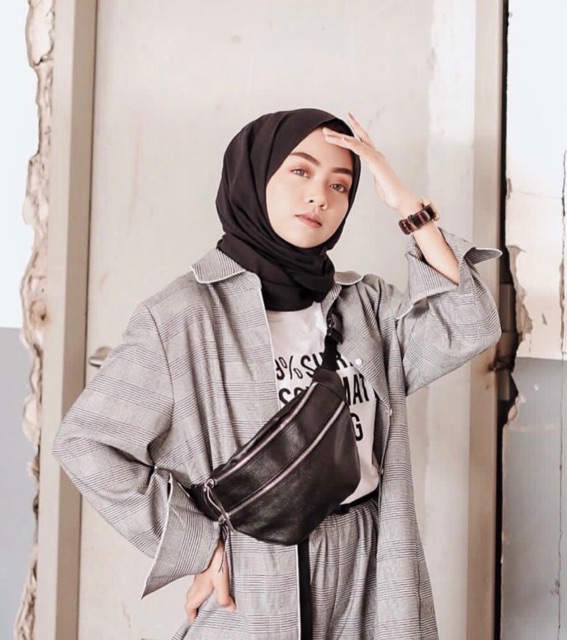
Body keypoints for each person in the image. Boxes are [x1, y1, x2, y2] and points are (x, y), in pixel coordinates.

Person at [53, 107, 501, 640]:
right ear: (256, 174)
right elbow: (86, 443)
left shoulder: (363, 306)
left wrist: (409, 208)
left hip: (370, 561)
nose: (320, 196)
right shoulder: (184, 315)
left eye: (340, 184)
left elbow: (467, 325)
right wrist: (196, 545)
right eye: (300, 171)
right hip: (255, 566)